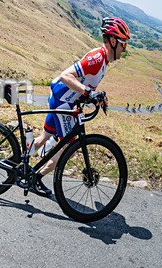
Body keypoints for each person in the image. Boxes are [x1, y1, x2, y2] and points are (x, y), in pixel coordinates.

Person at [28, 16, 131, 197]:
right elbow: (66, 76)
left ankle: (17, 162)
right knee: (68, 146)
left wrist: (96, 97)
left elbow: (85, 85)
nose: (124, 50)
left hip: (62, 99)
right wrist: (88, 93)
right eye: (124, 44)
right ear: (113, 41)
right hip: (63, 101)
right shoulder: (97, 57)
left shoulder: (104, 61)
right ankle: (35, 177)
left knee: (45, 137)